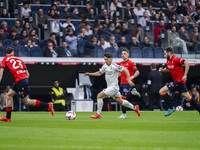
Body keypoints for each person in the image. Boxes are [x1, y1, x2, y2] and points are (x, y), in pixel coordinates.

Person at [0, 47, 54, 122]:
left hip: (20, 81)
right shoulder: (19, 60)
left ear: (6, 53)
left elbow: (1, 70)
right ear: (13, 53)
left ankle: (48, 105)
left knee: (26, 101)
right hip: (21, 80)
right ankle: (8, 118)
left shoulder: (5, 59)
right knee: (9, 95)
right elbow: (27, 74)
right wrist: (23, 80)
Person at [84, 52, 140, 119]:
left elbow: (125, 69)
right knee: (121, 101)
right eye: (105, 59)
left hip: (113, 87)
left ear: (111, 59)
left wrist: (128, 79)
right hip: (112, 88)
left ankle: (98, 114)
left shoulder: (114, 66)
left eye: (107, 59)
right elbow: (99, 73)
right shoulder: (105, 66)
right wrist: (90, 74)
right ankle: (135, 108)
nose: (106, 61)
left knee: (99, 96)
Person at [159, 47, 200, 116]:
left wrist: (185, 75)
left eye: (165, 54)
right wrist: (162, 70)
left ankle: (171, 108)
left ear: (169, 53)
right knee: (188, 97)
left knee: (161, 91)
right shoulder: (168, 61)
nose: (164, 55)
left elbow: (187, 63)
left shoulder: (176, 59)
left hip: (179, 81)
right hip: (178, 83)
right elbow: (168, 69)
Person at [118, 48, 140, 118]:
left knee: (122, 99)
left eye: (124, 54)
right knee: (121, 100)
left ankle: (124, 114)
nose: (123, 55)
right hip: (121, 83)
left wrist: (131, 77)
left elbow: (137, 72)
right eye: (122, 54)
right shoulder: (120, 63)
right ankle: (132, 91)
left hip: (128, 83)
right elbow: (119, 74)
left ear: (128, 54)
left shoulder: (130, 63)